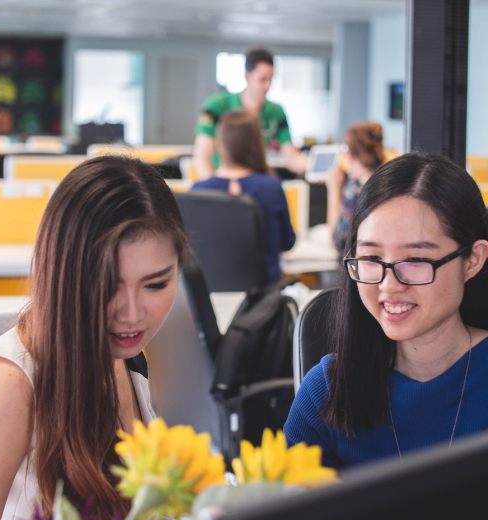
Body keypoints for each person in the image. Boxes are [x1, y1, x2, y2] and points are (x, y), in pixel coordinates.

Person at [0, 155, 188, 520]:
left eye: (156, 285)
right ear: (65, 274)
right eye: (107, 284)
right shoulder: (9, 387)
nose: (132, 314)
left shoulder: (125, 359)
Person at [284, 152, 488, 469]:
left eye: (416, 260)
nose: (389, 285)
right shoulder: (326, 391)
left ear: (472, 260)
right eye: (371, 259)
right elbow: (288, 514)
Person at [191, 108, 296, 284]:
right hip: (263, 298)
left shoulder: (198, 191)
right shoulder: (272, 187)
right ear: (257, 144)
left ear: (220, 143)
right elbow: (287, 242)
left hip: (210, 295)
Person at [193, 47, 308, 180]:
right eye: (262, 79)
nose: (267, 86)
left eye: (271, 79)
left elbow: (292, 158)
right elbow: (202, 157)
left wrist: (317, 168)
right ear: (248, 76)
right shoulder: (216, 106)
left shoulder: (276, 111)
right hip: (223, 181)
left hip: (257, 184)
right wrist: (216, 192)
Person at [325, 121, 385, 255]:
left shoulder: (355, 187)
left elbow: (338, 243)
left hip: (356, 269)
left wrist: (333, 190)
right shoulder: (387, 180)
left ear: (350, 155)